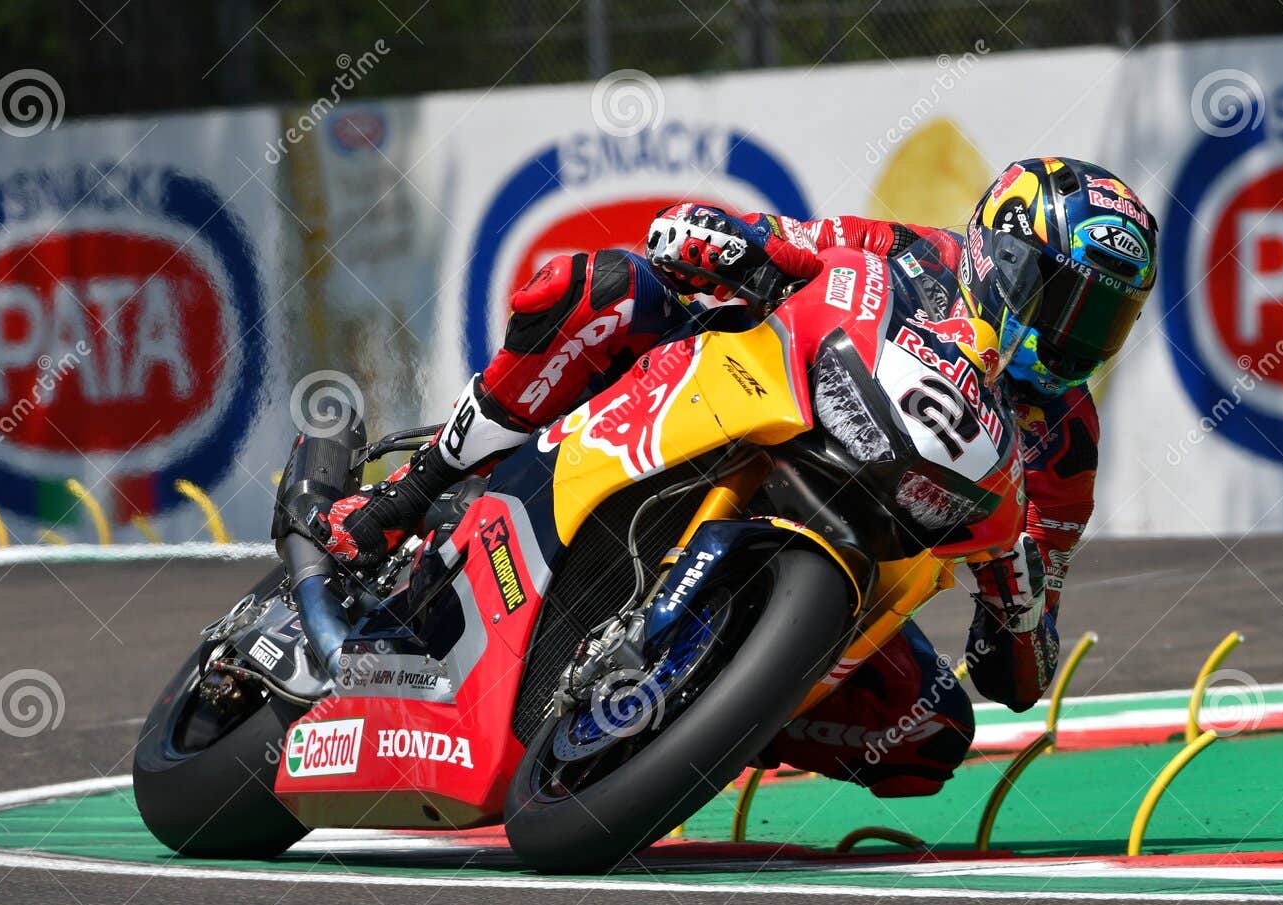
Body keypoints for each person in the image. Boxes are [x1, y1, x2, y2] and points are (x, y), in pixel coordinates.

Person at [324, 157, 1157, 798]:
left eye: (1106, 319)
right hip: (743, 412)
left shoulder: (1067, 444)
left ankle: (707, 705)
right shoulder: (916, 257)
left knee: (928, 735)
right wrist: (735, 242)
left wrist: (1017, 610)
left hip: (864, 565)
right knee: (606, 288)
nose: (1076, 335)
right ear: (1002, 255)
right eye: (1063, 298)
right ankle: (413, 492)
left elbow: (1027, 657)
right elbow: (797, 241)